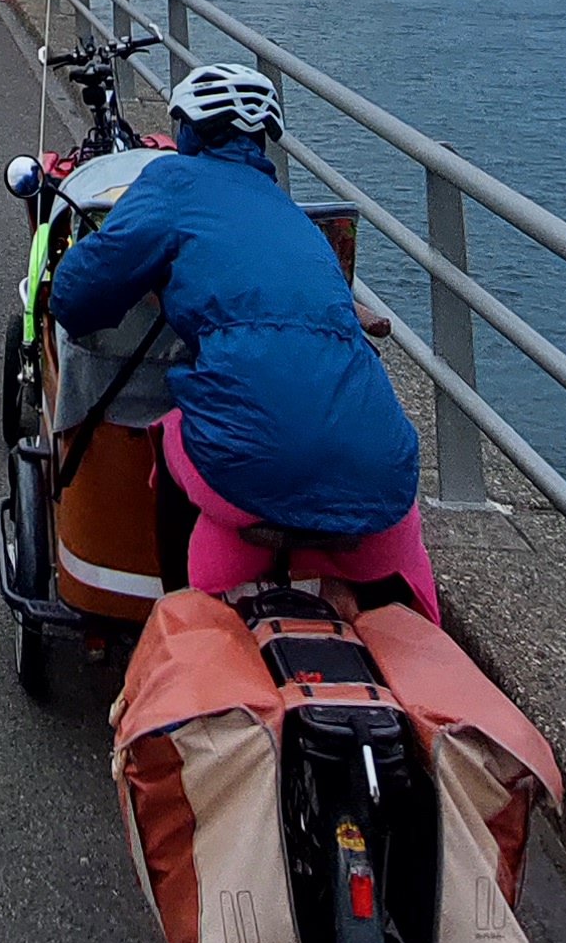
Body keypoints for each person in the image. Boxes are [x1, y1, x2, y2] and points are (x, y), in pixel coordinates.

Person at [45, 60, 442, 620]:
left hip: (249, 469)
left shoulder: (171, 182)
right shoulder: (294, 218)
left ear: (185, 132)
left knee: (175, 434)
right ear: (261, 141)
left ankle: (178, 616)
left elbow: (74, 297)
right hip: (381, 473)